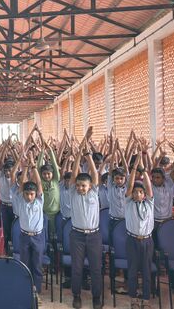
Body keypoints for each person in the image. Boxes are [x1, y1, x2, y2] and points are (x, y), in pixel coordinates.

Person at [67, 130, 102, 309]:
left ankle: (97, 297)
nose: (81, 188)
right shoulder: (73, 192)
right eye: (79, 185)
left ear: (90, 186)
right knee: (77, 268)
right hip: (77, 236)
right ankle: (77, 295)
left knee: (96, 268)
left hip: (94, 235)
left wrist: (88, 155)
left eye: (84, 186)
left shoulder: (94, 191)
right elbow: (74, 175)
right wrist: (79, 152)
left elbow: (94, 174)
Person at [13, 153, 46, 305]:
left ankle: (36, 293)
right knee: (25, 265)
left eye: (31, 194)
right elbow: (21, 184)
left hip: (38, 237)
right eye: (27, 194)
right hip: (24, 237)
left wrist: (33, 166)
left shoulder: (39, 201)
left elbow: (38, 183)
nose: (29, 197)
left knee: (37, 266)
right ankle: (25, 291)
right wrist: (25, 168)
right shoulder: (20, 200)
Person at [124, 148, 155, 309]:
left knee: (146, 271)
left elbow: (149, 187)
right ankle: (133, 299)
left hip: (147, 241)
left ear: (144, 194)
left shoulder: (149, 203)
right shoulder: (128, 203)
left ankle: (146, 299)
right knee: (133, 270)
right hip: (132, 240)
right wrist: (135, 168)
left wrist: (143, 169)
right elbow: (129, 186)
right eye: (135, 192)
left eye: (140, 192)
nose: (137, 194)